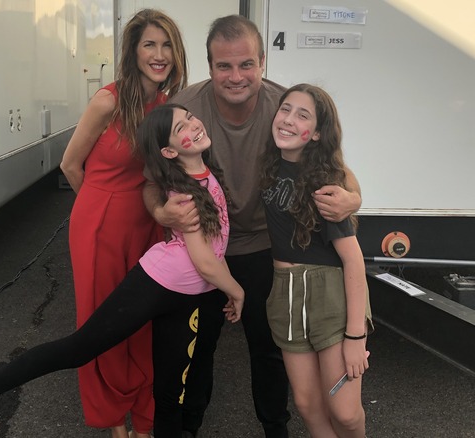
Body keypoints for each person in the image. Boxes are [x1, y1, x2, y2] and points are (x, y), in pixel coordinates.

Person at [0, 104, 245, 438]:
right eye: (182, 126)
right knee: (79, 349)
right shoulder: (186, 194)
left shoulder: (203, 175)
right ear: (169, 150)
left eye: (192, 118)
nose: (194, 126)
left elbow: (216, 248)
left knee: (170, 392)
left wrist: (223, 287)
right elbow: (205, 261)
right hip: (158, 284)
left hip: (188, 295)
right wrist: (236, 290)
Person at [143, 15, 362, 438]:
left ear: (262, 61)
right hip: (207, 249)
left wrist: (353, 200)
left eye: (246, 64)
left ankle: (274, 428)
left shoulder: (284, 109)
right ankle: (190, 425)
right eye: (224, 66)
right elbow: (150, 182)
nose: (236, 76)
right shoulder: (185, 109)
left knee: (268, 351)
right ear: (210, 67)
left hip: (267, 249)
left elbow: (339, 171)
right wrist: (160, 212)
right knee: (199, 347)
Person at [59, 9, 187, 438]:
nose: (159, 54)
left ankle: (146, 418)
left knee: (145, 321)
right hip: (101, 223)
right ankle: (115, 420)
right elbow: (70, 165)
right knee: (103, 322)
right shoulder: (107, 101)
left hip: (149, 224)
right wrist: (100, 212)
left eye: (167, 44)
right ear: (132, 51)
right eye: (149, 44)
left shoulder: (168, 105)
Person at [261, 83, 373, 437]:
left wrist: (356, 337)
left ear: (317, 133)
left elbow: (353, 262)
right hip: (286, 295)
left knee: (344, 412)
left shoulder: (327, 187)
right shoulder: (271, 165)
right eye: (285, 109)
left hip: (330, 299)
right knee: (309, 406)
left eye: (302, 115)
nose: (289, 120)